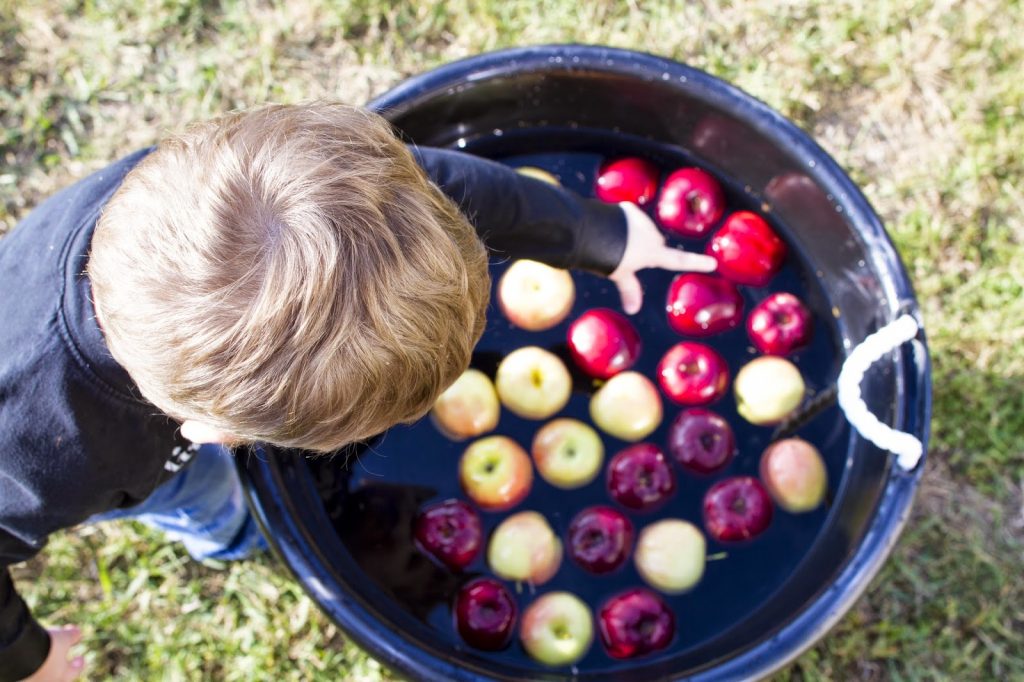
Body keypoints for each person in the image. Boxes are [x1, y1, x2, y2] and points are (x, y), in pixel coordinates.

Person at [0, 102, 715, 681]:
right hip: (114, 451)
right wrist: (28, 659)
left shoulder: (292, 201)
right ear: (222, 431)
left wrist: (594, 232)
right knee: (202, 499)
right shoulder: (37, 455)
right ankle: (228, 535)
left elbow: (446, 188)